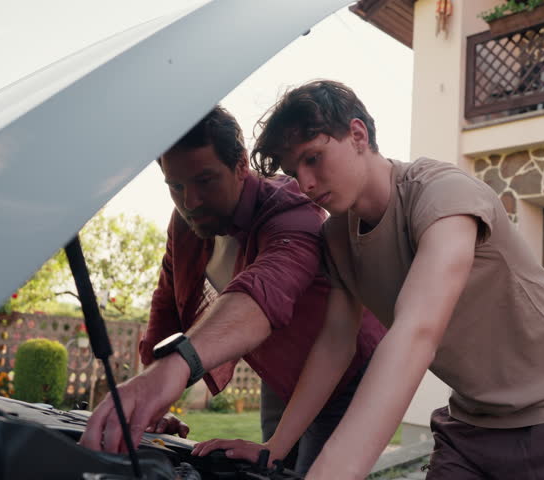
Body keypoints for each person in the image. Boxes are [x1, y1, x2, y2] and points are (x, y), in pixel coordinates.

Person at [243, 80, 544, 480]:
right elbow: (335, 345)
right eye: (293, 171)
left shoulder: (442, 194)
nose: (306, 184)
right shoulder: (337, 238)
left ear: (357, 135)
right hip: (473, 420)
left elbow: (417, 331)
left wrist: (331, 472)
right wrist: (273, 449)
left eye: (313, 158)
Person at [79, 106, 385, 474]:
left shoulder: (292, 211)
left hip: (350, 374)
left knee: (315, 471)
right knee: (266, 469)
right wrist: (153, 395)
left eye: (205, 180)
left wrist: (178, 367)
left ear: (241, 165)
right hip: (279, 375)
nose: (190, 201)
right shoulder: (186, 224)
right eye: (176, 186)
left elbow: (265, 291)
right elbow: (167, 306)